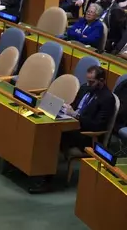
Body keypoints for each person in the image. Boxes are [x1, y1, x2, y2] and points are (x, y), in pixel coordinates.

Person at [29, 65, 115, 194]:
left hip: (86, 136)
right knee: (44, 127)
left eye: (92, 82)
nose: (88, 84)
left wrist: (76, 115)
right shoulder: (85, 88)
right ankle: (36, 168)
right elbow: (74, 106)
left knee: (54, 135)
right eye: (88, 80)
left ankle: (47, 182)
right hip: (71, 125)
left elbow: (98, 125)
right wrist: (65, 107)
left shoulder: (107, 98)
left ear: (102, 81)